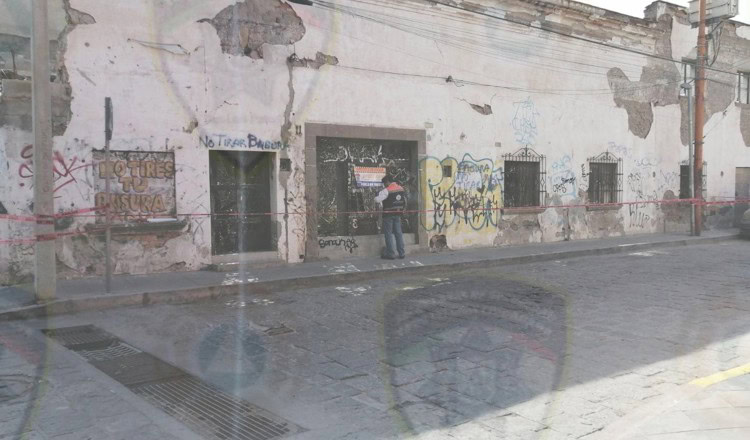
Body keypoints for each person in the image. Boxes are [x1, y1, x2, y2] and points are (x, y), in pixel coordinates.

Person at [375, 175, 407, 260]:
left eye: (385, 183)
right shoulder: (401, 188)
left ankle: (391, 254)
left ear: (388, 182)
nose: (384, 185)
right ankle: (402, 253)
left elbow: (377, 200)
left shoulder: (387, 190)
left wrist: (376, 195)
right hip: (398, 214)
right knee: (398, 233)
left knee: (388, 234)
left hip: (388, 215)